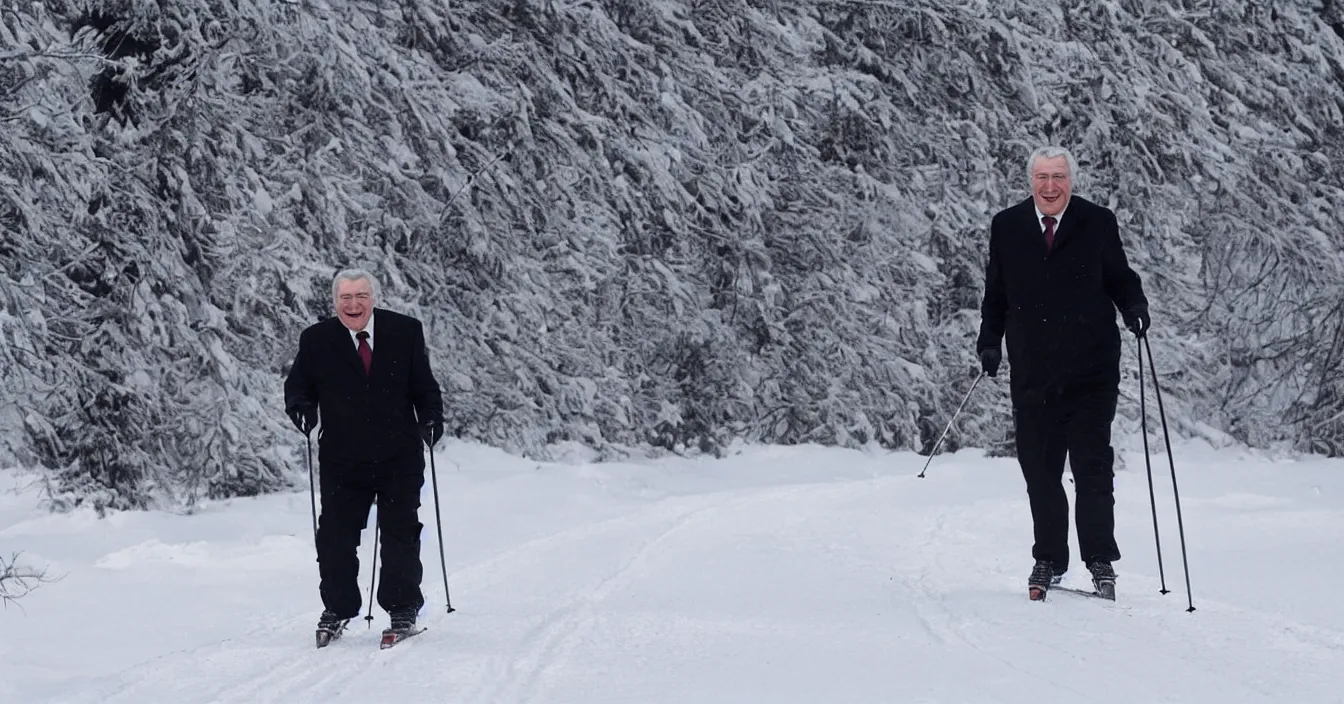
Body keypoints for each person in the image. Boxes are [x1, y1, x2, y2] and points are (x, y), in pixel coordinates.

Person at [975, 146, 1150, 600]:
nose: (1049, 187)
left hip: (1091, 369)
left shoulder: (1097, 221)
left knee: (1092, 467)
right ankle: (1048, 557)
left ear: (1071, 180)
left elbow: (1119, 277)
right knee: (1041, 470)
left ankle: (1100, 561)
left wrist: (1134, 306)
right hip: (1034, 371)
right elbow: (996, 291)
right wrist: (990, 340)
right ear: (1030, 181)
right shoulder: (1008, 226)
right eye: (1041, 177)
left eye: (1058, 177)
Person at [284, 268, 444, 645]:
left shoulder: (404, 331)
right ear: (335, 301)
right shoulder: (317, 340)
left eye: (360, 296)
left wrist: (433, 419)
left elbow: (425, 386)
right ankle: (338, 608)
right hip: (343, 457)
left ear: (373, 297)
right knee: (335, 538)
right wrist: (301, 409)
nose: (353, 304)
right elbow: (298, 387)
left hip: (399, 454)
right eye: (345, 297)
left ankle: (403, 608)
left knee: (400, 533)